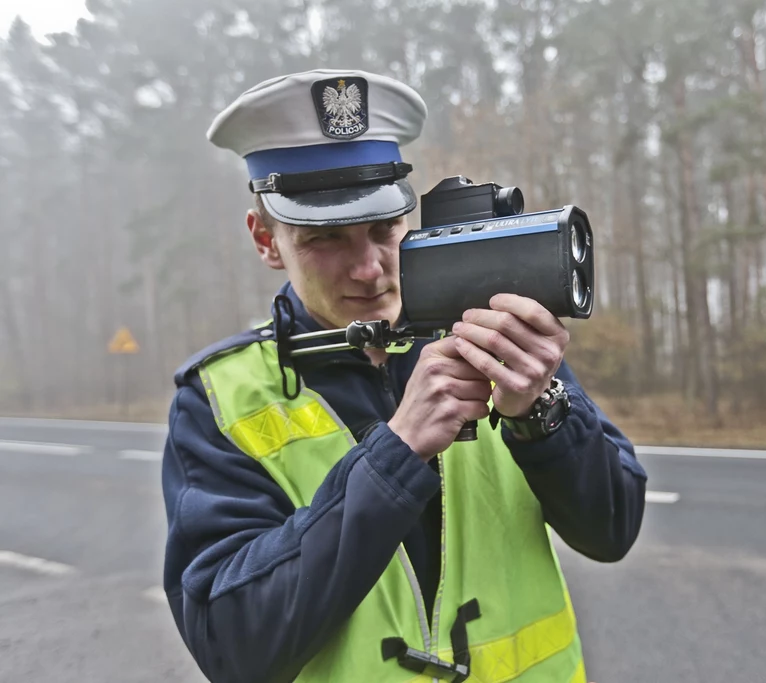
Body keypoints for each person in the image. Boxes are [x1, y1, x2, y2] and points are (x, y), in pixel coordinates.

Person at [160, 69, 648, 683]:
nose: (368, 268)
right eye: (326, 239)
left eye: (385, 228)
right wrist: (394, 454)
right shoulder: (220, 399)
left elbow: (613, 530)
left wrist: (543, 415)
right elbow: (233, 647)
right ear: (266, 239)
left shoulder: (484, 332)